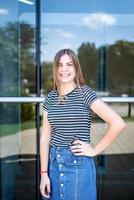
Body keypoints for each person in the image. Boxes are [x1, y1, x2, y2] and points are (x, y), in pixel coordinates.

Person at [39, 49, 126, 200]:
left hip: (77, 164)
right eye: (60, 65)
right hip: (53, 165)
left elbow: (117, 123)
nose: (64, 69)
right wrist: (44, 174)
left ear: (76, 68)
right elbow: (45, 138)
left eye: (69, 64)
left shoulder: (85, 93)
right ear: (55, 69)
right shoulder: (50, 98)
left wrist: (94, 150)